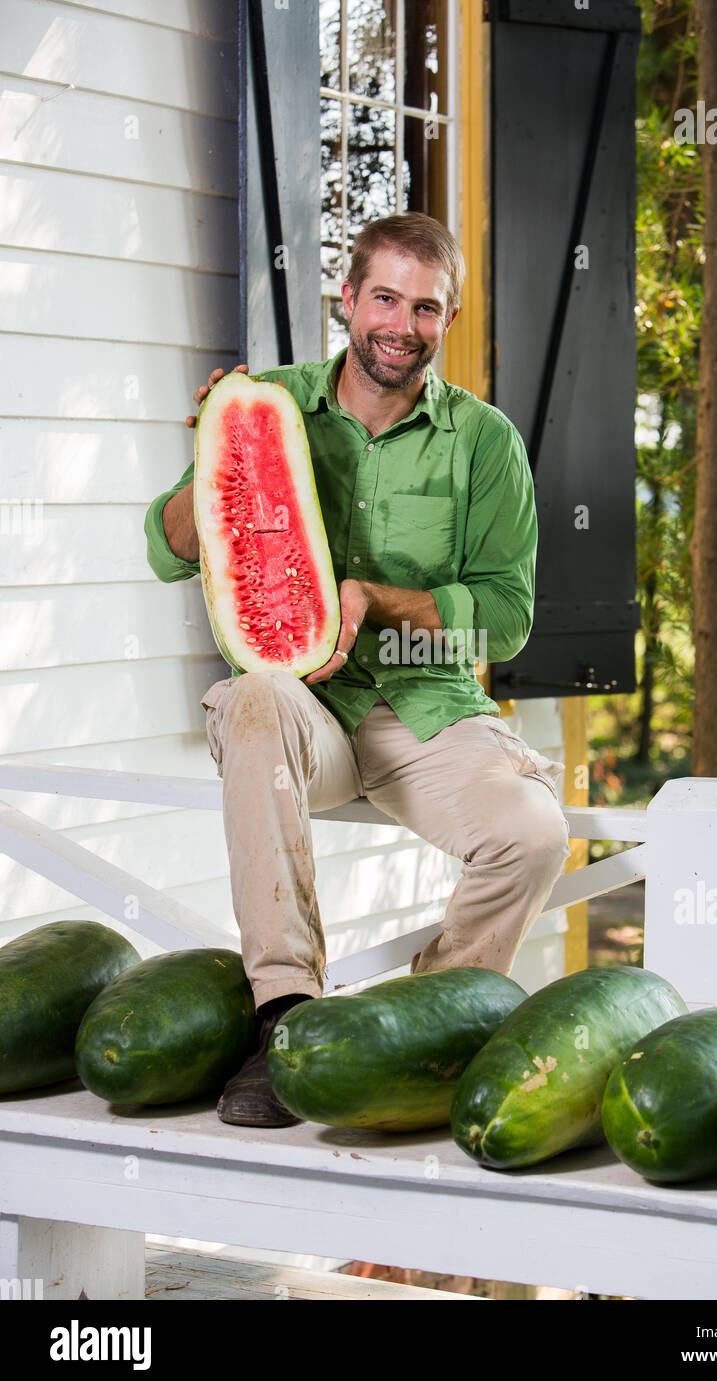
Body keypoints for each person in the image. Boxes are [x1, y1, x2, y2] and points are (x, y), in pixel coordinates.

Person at [144, 212, 571, 1127]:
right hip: (305, 709)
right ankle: (286, 1017)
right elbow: (169, 551)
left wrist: (382, 599)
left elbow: (509, 614)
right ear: (348, 299)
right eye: (385, 296)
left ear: (444, 321)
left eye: (425, 308)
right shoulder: (272, 401)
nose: (400, 324)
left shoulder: (483, 442)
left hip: (425, 710)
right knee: (253, 699)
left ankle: (413, 1032)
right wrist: (218, 448)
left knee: (533, 834)